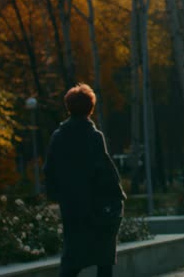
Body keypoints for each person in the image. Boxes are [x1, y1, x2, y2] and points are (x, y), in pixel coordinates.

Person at [44, 83, 127, 277]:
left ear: (68, 107)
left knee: (72, 256)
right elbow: (105, 171)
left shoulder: (58, 136)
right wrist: (117, 196)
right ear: (91, 108)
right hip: (98, 206)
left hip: (72, 206)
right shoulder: (94, 136)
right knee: (104, 257)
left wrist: (57, 196)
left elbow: (49, 169)